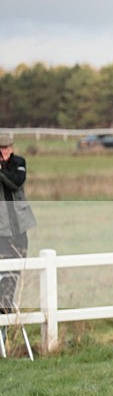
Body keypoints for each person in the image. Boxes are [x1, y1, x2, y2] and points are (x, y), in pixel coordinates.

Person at [0, 133, 36, 316]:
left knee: (15, 268)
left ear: (11, 148)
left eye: (5, 148)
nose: (2, 152)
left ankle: (5, 305)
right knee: (4, 268)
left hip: (19, 228)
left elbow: (16, 182)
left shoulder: (19, 163)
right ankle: (4, 307)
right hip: (2, 231)